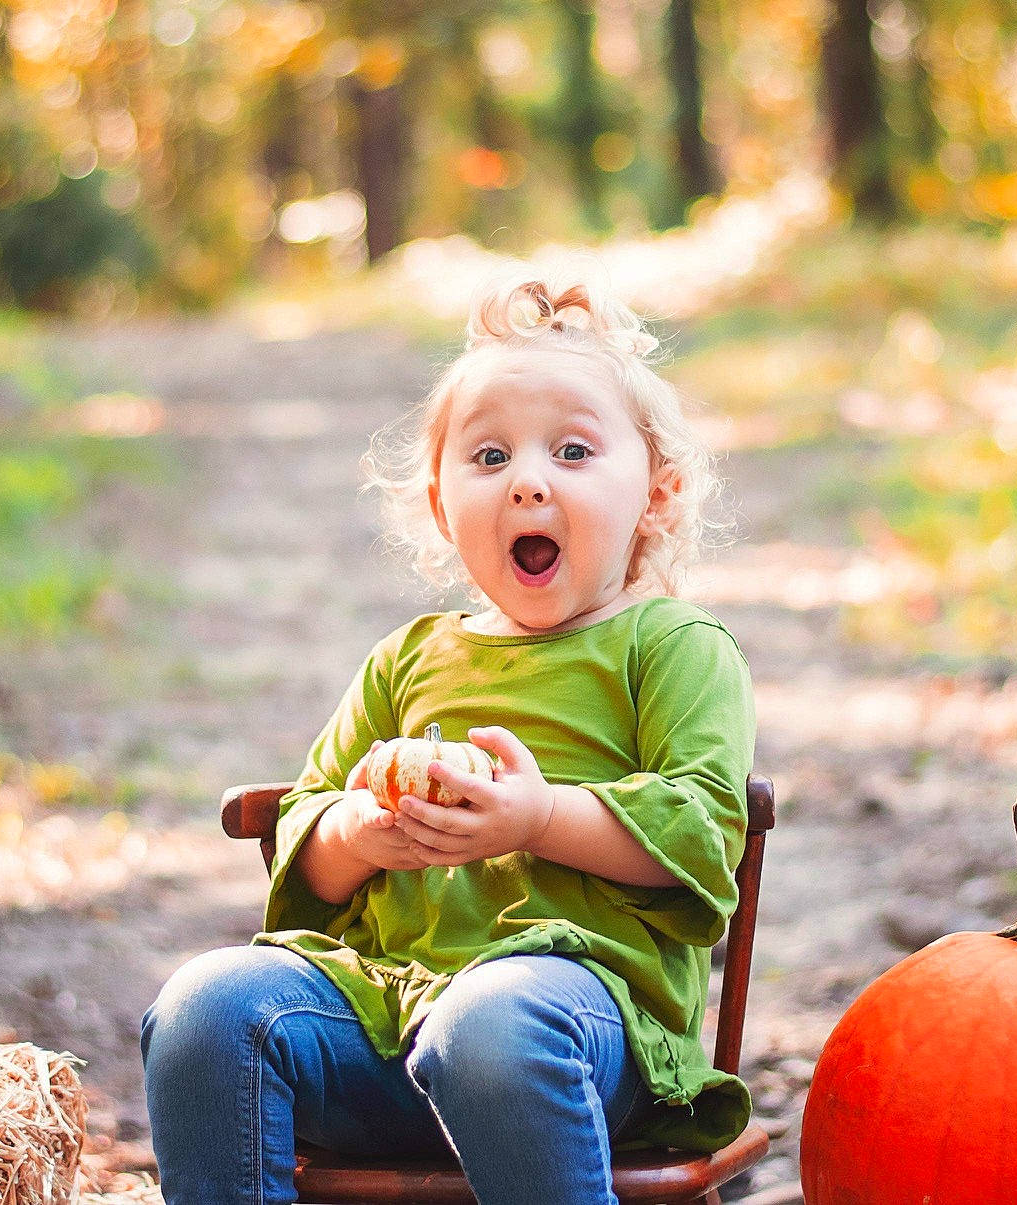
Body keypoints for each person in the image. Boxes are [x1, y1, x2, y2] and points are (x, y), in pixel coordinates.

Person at [139, 273, 757, 1205]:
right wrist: (360, 832)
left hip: (577, 1032)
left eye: (575, 450)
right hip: (386, 1019)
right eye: (491, 455)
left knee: (490, 1021)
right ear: (440, 503)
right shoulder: (408, 659)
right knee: (207, 1011)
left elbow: (703, 831)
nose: (530, 481)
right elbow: (309, 826)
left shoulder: (669, 646)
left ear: (658, 495)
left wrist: (538, 816)